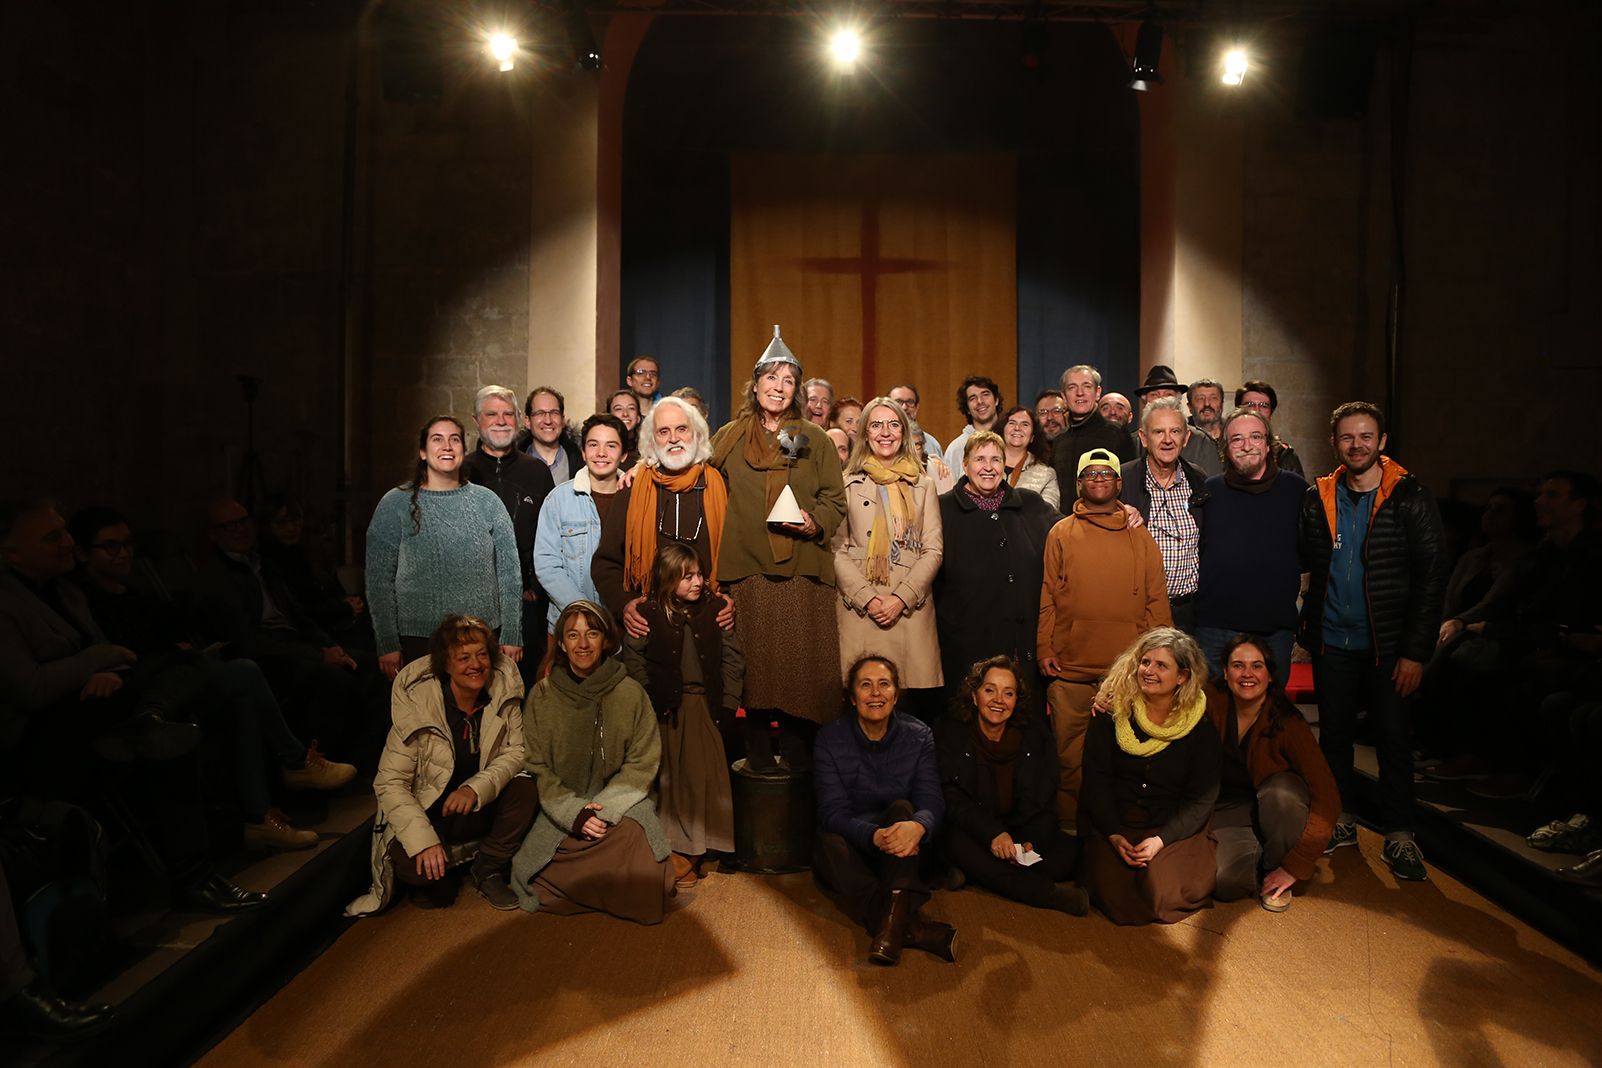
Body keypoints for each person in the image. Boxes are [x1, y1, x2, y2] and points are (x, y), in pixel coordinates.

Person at [71, 505, 356, 850]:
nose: (123, 553)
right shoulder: (85, 602)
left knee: (245, 698)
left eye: (128, 543)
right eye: (111, 546)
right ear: (84, 553)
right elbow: (131, 655)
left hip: (179, 680)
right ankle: (294, 764)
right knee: (248, 673)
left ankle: (260, 817)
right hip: (147, 698)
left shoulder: (133, 594)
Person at [1299, 402, 1445, 882]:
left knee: (1394, 739)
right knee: (1335, 736)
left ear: (1382, 442)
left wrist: (1415, 652)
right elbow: (1308, 563)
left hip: (1388, 646)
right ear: (1334, 443)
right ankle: (1341, 820)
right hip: (1332, 642)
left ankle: (1400, 833)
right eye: (1347, 438)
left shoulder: (1410, 498)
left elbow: (1430, 580)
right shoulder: (1318, 497)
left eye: (1366, 437)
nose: (1356, 445)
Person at [708, 328, 847, 770]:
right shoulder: (728, 437)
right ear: (755, 385)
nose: (778, 387)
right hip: (747, 574)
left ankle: (799, 777)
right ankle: (758, 772)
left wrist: (813, 521)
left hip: (802, 576)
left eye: (788, 380)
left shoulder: (814, 438)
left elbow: (835, 500)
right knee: (755, 678)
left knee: (799, 680)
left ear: (797, 391)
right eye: (771, 377)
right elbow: (699, 483)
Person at [348, 614, 537, 913]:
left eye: (481, 654)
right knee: (428, 886)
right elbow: (389, 782)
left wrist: (474, 789)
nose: (475, 664)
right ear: (445, 664)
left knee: (525, 788)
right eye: (463, 657)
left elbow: (516, 753)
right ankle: (445, 858)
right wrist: (423, 841)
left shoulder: (501, 695)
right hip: (431, 814)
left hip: (477, 806)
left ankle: (487, 866)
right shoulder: (419, 707)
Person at [511, 601, 676, 922]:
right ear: (561, 643)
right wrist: (575, 813)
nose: (583, 644)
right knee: (533, 871)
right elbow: (538, 767)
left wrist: (604, 809)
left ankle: (594, 885)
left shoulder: (631, 693)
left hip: (620, 808)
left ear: (606, 641)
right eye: (573, 635)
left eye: (592, 634)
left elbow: (642, 763)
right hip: (563, 810)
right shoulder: (542, 696)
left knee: (645, 864)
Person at [1038, 447, 1171, 825]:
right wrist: (1044, 645)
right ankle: (1070, 831)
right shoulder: (1060, 532)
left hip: (1127, 671)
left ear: (1118, 482)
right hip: (1071, 667)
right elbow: (1048, 593)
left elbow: (1155, 598)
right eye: (1090, 474)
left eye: (1105, 474)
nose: (1098, 480)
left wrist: (1162, 656)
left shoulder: (1139, 535)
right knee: (1069, 756)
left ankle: (1116, 830)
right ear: (1079, 484)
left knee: (1128, 757)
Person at [814, 655, 954, 965]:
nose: (876, 693)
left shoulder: (919, 734)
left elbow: (932, 801)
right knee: (828, 840)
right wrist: (874, 836)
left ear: (896, 694)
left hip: (903, 846)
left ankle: (889, 929)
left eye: (884, 684)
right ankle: (906, 927)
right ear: (852, 698)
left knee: (904, 808)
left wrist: (918, 826)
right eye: (866, 685)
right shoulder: (829, 739)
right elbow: (832, 812)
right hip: (857, 846)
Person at [1080, 628, 1220, 925]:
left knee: (1162, 894)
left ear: (1182, 676)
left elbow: (1201, 797)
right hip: (1117, 819)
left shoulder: (1200, 726)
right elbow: (1097, 779)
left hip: (1168, 824)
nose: (1149, 671)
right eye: (1145, 663)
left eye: (1161, 665)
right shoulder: (1110, 711)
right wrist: (1113, 832)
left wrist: (1161, 839)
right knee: (1113, 893)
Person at [365, 415, 524, 677]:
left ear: (463, 448)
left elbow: (509, 574)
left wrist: (512, 632)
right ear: (423, 452)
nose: (447, 447)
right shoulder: (395, 504)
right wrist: (387, 642)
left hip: (481, 638)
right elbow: (378, 580)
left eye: (454, 440)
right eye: (437, 440)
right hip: (417, 641)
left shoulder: (488, 502)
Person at [623, 543, 742, 889]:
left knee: (703, 777)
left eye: (699, 575)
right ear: (667, 577)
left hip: (703, 707)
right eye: (686, 576)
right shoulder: (647, 613)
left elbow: (733, 659)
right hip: (664, 708)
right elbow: (635, 661)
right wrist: (647, 698)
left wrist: (729, 704)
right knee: (671, 779)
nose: (697, 582)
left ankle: (706, 845)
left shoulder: (716, 609)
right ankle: (676, 845)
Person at [936, 656, 1089, 915]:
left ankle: (975, 873)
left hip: (1018, 832)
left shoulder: (1036, 736)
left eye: (1008, 693)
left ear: (1017, 700)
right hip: (974, 832)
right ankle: (1048, 895)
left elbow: (1045, 801)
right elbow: (951, 798)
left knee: (1073, 852)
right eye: (989, 690)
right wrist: (992, 834)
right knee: (954, 843)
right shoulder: (951, 731)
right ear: (974, 696)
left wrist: (1032, 842)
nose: (998, 700)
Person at [1207, 635, 1341, 911]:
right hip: (1232, 812)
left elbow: (1328, 799)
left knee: (1281, 793)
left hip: (1278, 809)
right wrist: (1114, 698)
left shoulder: (1289, 723)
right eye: (1238, 665)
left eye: (1257, 666)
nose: (1247, 674)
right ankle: (1259, 856)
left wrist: (1296, 866)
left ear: (1269, 675)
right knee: (1223, 883)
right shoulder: (1210, 700)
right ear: (1225, 671)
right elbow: (1165, 700)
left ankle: (1278, 867)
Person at [833, 397, 944, 722]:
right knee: (859, 706)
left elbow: (933, 550)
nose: (886, 432)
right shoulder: (845, 485)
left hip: (908, 612)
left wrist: (900, 598)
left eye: (894, 424)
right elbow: (836, 549)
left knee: (906, 715)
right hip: (861, 612)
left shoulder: (923, 485)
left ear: (904, 432)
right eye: (876, 425)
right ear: (865, 433)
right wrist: (869, 599)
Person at [591, 396, 733, 641]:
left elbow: (737, 556)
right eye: (663, 432)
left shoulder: (721, 487)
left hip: (709, 625)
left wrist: (731, 598)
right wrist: (625, 605)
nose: (673, 438)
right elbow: (605, 562)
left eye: (681, 429)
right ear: (652, 442)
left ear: (697, 435)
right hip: (649, 627)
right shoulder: (632, 489)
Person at [933, 432, 1058, 707]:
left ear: (1005, 466)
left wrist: (1121, 512)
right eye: (979, 459)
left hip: (1021, 650)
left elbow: (1071, 535)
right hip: (964, 652)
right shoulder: (941, 510)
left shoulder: (1031, 505)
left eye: (995, 460)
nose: (988, 467)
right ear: (964, 465)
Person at [1193, 406, 1309, 677]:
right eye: (1237, 439)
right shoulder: (1209, 492)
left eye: (1255, 437)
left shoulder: (1296, 490)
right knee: (1215, 713)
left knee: (1270, 713)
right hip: (1214, 627)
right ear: (1226, 448)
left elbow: (1311, 552)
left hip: (1274, 627)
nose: (1247, 446)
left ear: (1269, 445)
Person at [464, 385, 557, 687]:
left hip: (527, 604)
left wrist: (533, 588)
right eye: (492, 414)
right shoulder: (462, 470)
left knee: (524, 687)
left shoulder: (538, 472)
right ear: (476, 420)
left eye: (508, 414)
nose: (501, 420)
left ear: (518, 420)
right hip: (472, 603)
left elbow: (549, 536)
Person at [533, 414, 626, 652]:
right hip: (570, 626)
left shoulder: (637, 499)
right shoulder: (559, 500)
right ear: (583, 452)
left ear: (624, 455)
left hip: (624, 628)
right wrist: (584, 611)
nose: (601, 453)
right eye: (593, 445)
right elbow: (547, 564)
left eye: (611, 445)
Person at [1120, 398, 1209, 633]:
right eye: (1159, 431)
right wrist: (1117, 513)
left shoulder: (1199, 479)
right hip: (1139, 611)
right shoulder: (1122, 480)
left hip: (1190, 611)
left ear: (1186, 438)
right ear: (1143, 438)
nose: (1168, 440)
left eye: (1175, 431)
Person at [1051, 364, 1134, 497]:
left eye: (1087, 386)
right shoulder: (1058, 442)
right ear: (1064, 397)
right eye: (1072, 387)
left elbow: (1129, 486)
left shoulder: (1117, 434)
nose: (1080, 393)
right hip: (1064, 517)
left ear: (1097, 392)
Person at [1132, 366, 1222, 476]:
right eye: (1154, 395)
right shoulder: (1133, 442)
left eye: (1168, 395)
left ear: (1178, 401)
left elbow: (1212, 485)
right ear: (1145, 402)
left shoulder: (1201, 442)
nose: (1162, 399)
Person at [1235, 381, 1304, 476]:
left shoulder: (1284, 455)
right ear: (1238, 410)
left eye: (1263, 406)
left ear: (1271, 413)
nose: (1257, 410)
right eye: (1250, 404)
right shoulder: (1226, 451)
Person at [998, 405, 1060, 510]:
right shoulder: (984, 467)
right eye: (1012, 423)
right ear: (1003, 431)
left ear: (1032, 437)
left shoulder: (1046, 474)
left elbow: (1047, 515)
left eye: (1025, 424)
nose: (1017, 428)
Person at [520, 386, 583, 486]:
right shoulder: (513, 464)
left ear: (562, 420)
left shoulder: (580, 461)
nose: (548, 420)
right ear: (527, 421)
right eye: (540, 413)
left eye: (554, 413)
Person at [941, 375, 1004, 472]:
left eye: (985, 394)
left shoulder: (1011, 440)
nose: (980, 401)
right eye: (972, 398)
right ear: (967, 409)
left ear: (996, 400)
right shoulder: (956, 449)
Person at [888, 383, 941, 460]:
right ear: (887, 407)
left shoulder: (931, 443)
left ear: (916, 408)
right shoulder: (880, 441)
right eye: (898, 402)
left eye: (910, 402)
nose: (904, 407)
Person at [1186, 377, 1226, 452]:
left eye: (1213, 398)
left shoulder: (1232, 432)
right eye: (1200, 399)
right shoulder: (1181, 435)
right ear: (1190, 407)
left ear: (1221, 405)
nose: (1207, 404)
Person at [608, 389, 643, 468]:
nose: (625, 414)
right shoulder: (602, 449)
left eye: (631, 408)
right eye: (618, 409)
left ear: (638, 417)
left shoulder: (648, 450)